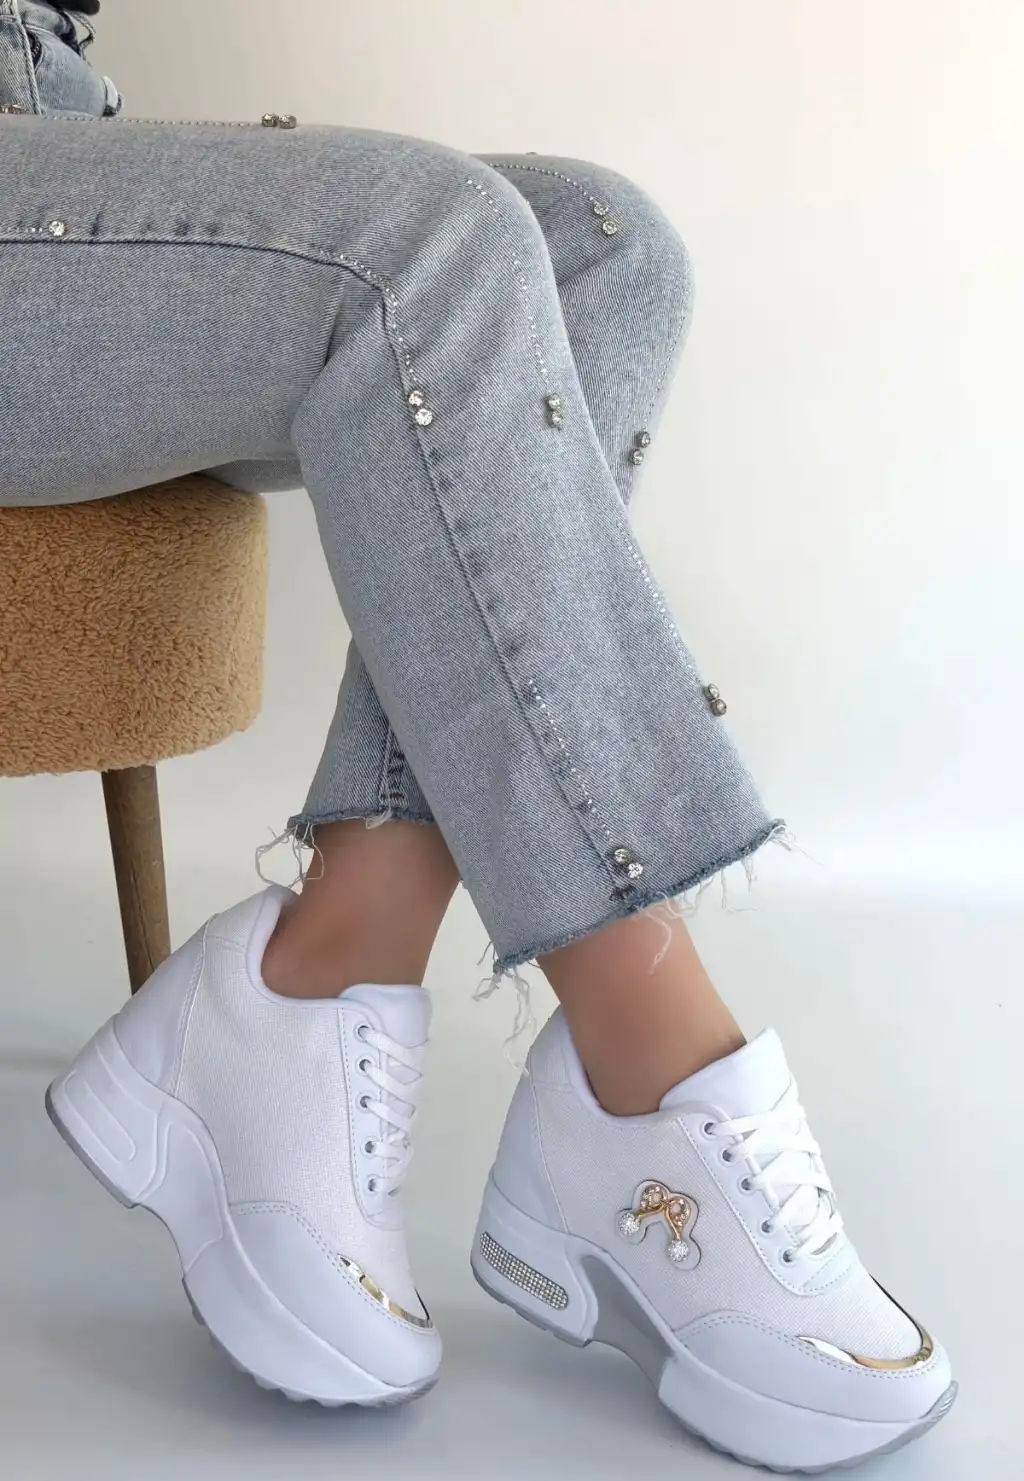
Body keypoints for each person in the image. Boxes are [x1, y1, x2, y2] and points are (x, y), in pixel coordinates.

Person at [2, 3, 954, 1471]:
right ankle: (649, 1069)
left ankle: (319, 977)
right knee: (423, 248)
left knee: (600, 250)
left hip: (54, 126)